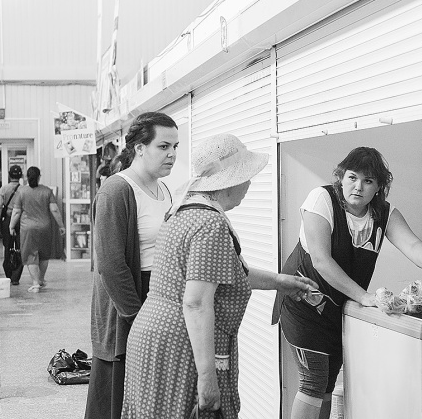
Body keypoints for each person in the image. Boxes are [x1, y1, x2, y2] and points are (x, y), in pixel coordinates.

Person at [121, 134, 317, 419]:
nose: (249, 185)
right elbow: (196, 303)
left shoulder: (183, 211)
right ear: (230, 182)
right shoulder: (210, 223)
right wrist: (207, 376)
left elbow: (221, 274)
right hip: (181, 343)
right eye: (247, 177)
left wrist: (280, 282)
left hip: (154, 335)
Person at [272, 146, 422, 419]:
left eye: (368, 181)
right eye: (352, 177)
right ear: (341, 176)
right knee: (313, 381)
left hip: (337, 309)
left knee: (327, 384)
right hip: (303, 304)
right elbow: (321, 260)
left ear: (379, 187)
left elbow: (411, 244)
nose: (358, 187)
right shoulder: (321, 200)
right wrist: (364, 297)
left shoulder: (383, 213)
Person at [84, 112, 179, 419]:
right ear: (139, 148)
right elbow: (111, 264)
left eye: (175, 146)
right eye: (163, 146)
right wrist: (137, 318)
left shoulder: (164, 190)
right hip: (128, 304)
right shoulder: (117, 190)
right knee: (121, 397)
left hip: (159, 302)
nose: (172, 154)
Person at [8, 166, 66, 293]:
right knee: (44, 255)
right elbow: (55, 210)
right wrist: (61, 225)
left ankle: (35, 283)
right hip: (45, 228)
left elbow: (16, 212)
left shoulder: (22, 192)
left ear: (26, 177)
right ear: (39, 177)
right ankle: (41, 279)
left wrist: (11, 226)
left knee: (30, 255)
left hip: (27, 229)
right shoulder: (47, 191)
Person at [0, 165, 24, 285]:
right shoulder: (24, 189)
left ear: (9, 175)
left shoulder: (3, 189)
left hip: (7, 220)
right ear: (21, 176)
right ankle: (16, 276)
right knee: (20, 247)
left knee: (7, 247)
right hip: (21, 220)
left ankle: (8, 274)